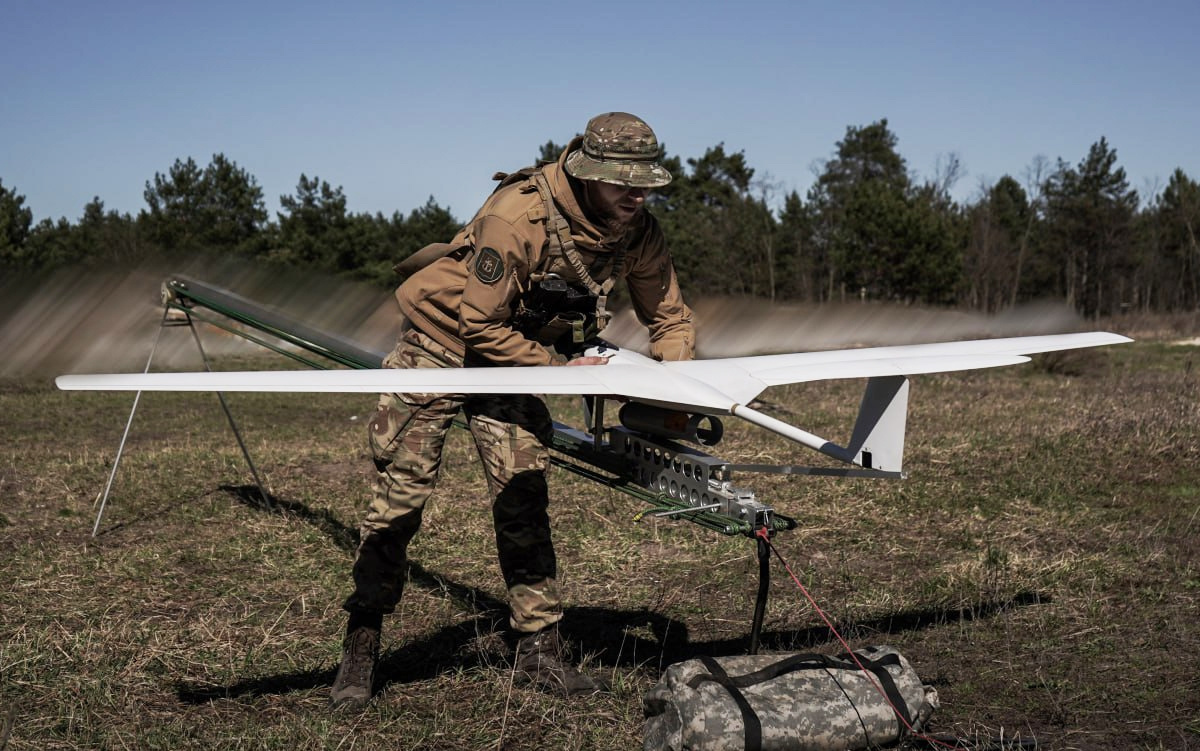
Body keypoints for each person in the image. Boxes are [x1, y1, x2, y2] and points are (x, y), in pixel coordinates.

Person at [330, 112, 695, 708]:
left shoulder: (638, 232)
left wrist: (676, 394)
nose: (636, 195)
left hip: (516, 355)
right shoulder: (519, 215)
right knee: (401, 495)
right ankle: (362, 643)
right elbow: (478, 323)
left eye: (644, 184)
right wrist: (556, 370)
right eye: (621, 183)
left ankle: (539, 650)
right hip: (439, 345)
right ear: (588, 175)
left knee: (523, 493)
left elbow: (671, 319)